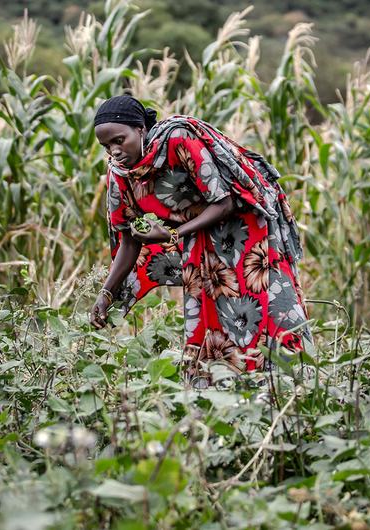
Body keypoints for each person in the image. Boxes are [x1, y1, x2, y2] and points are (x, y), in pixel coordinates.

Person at [89, 93, 310, 378]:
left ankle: (288, 382)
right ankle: (225, 386)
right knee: (211, 314)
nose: (114, 150)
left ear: (141, 129)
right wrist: (106, 294)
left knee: (265, 302)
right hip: (198, 235)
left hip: (244, 223)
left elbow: (224, 201)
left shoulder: (178, 138)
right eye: (107, 145)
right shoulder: (121, 173)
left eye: (119, 140)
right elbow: (128, 241)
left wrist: (171, 234)